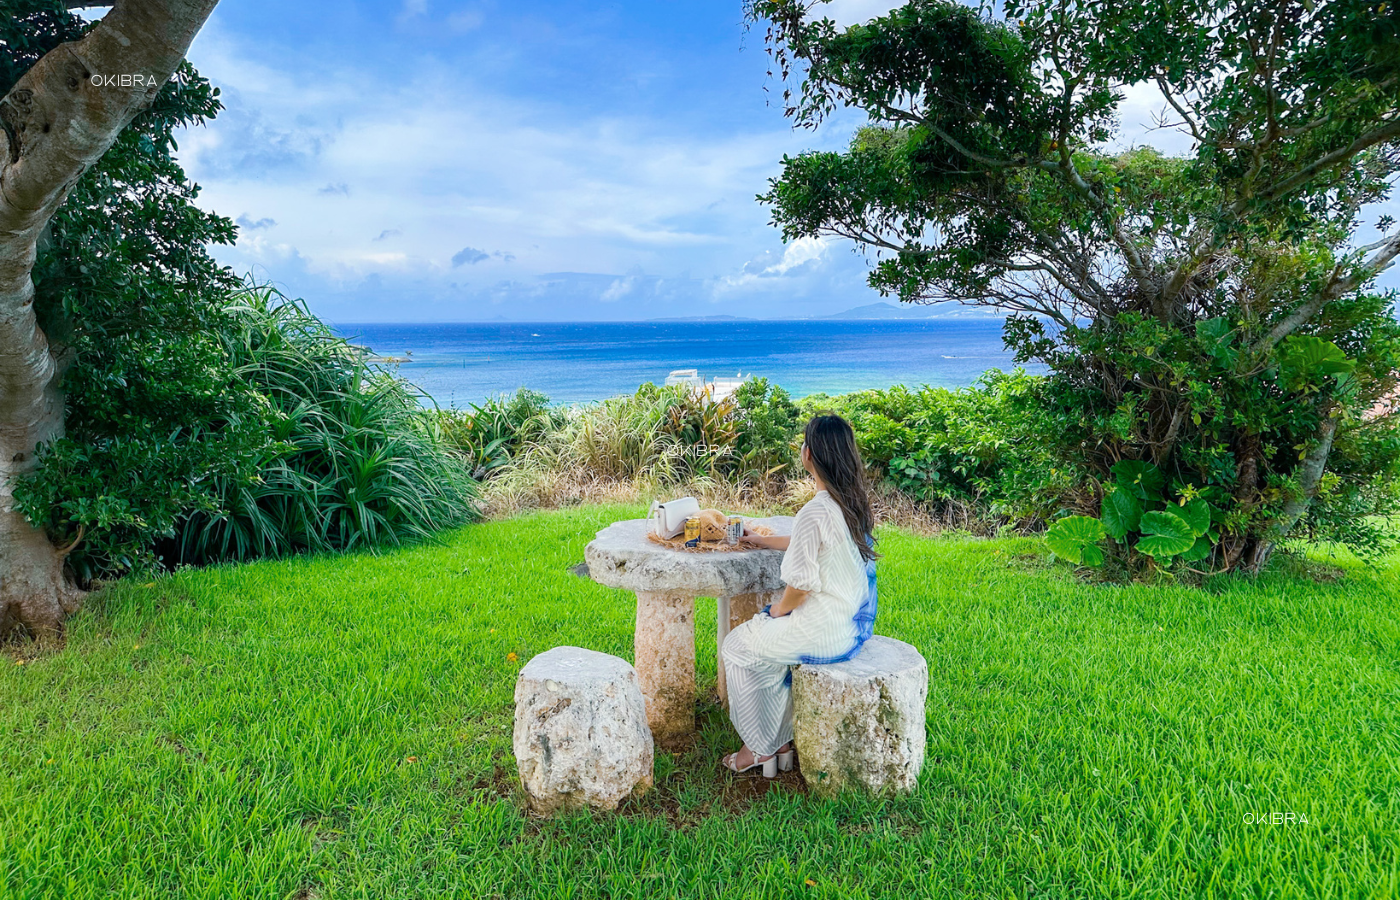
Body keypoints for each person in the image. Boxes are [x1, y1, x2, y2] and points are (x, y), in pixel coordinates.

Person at [721, 413, 879, 778]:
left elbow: (802, 586)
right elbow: (814, 543)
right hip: (847, 626)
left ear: (808, 454)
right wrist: (762, 540)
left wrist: (777, 611)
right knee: (765, 654)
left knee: (738, 647)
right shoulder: (851, 503)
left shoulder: (814, 510)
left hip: (820, 634)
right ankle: (780, 744)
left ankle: (757, 748)